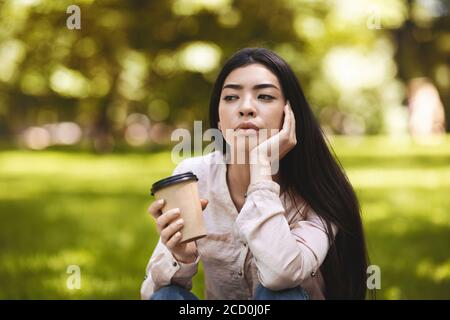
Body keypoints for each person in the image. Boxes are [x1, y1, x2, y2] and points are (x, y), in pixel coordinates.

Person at [141, 47, 370, 300]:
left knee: (281, 294)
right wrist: (180, 256)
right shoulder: (194, 176)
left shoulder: (320, 192)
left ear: (291, 116)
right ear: (219, 120)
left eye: (264, 96)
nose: (245, 108)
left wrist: (261, 166)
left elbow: (280, 275)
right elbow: (152, 293)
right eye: (230, 98)